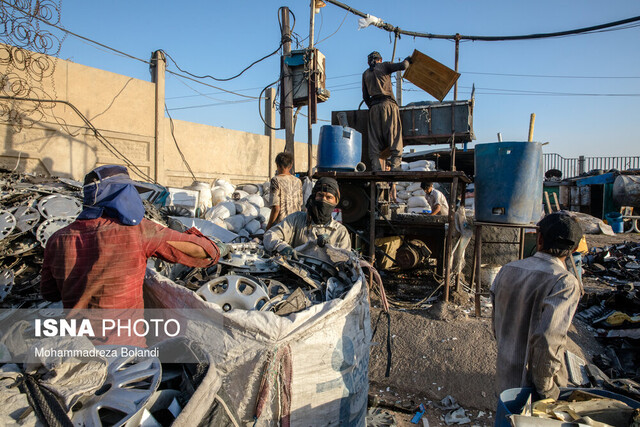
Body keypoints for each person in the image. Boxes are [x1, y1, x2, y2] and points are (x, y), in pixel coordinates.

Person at [40, 165, 224, 311]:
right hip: (125, 346)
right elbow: (202, 251)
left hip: (77, 347)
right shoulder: (139, 232)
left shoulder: (56, 239)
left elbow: (50, 293)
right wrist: (219, 249)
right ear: (124, 194)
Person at [491, 212, 584, 400]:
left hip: (505, 379)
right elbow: (548, 340)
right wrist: (547, 390)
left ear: (539, 238)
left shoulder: (507, 270)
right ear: (573, 249)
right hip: (533, 389)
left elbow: (495, 323)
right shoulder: (564, 281)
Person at [263, 177, 351, 261]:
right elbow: (270, 235)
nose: (323, 200)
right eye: (320, 195)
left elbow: (345, 261)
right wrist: (283, 248)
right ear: (314, 196)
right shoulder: (296, 219)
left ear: (336, 201)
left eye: (329, 197)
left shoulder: (340, 232)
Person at [362, 51, 411, 171]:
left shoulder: (365, 74)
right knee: (394, 135)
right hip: (388, 105)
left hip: (374, 108)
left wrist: (373, 106)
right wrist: (408, 59)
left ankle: (376, 166)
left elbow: (365, 96)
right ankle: (395, 165)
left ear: (368, 62)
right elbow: (403, 66)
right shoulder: (384, 66)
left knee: (374, 139)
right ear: (380, 59)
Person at [266, 151, 303, 230]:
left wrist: (268, 227)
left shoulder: (276, 180)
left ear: (277, 165)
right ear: (291, 165)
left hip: (282, 226)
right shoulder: (298, 181)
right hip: (296, 225)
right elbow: (300, 204)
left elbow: (276, 208)